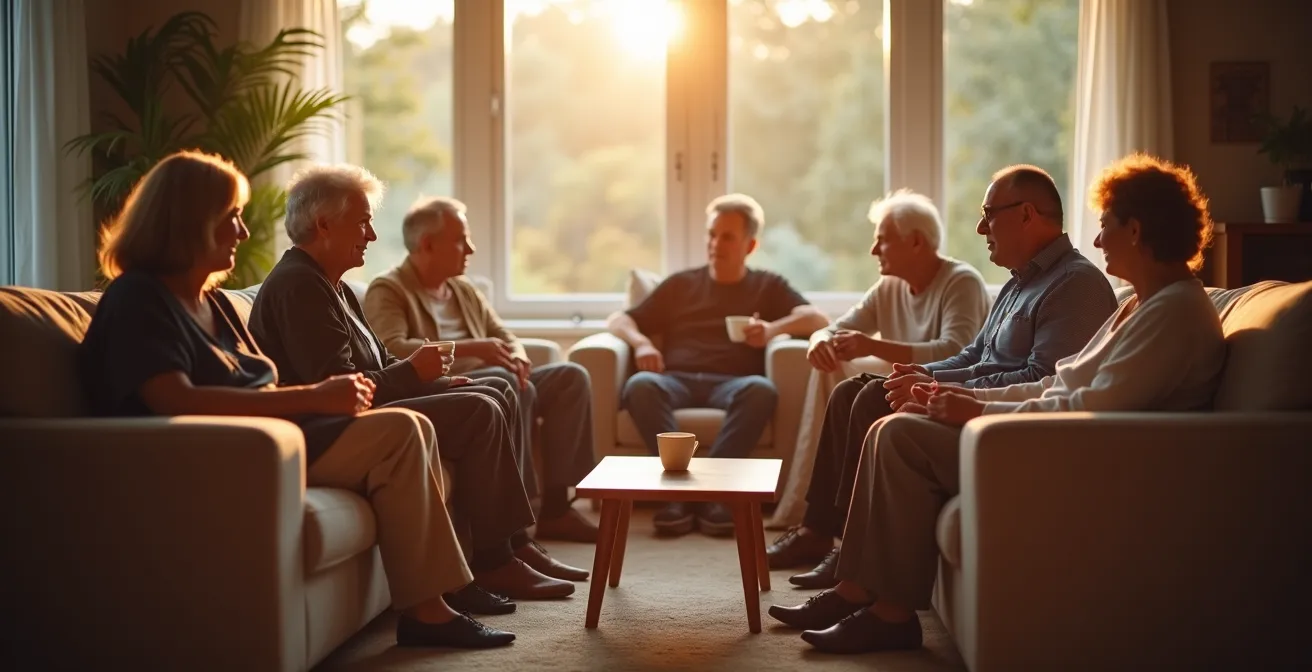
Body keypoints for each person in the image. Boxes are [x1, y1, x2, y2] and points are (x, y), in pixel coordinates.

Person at [769, 153, 1227, 654]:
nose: (1096, 241)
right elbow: (1057, 386)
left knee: (895, 430)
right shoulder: (1141, 304)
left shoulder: (1173, 311)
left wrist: (977, 408)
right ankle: (861, 591)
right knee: (886, 421)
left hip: (1075, 456)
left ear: (1135, 231)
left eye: (1104, 227)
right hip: (1052, 438)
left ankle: (890, 612)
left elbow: (1085, 405)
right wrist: (961, 396)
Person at [78, 150, 513, 648]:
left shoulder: (211, 300)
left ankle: (437, 599)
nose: (243, 232)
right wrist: (315, 396)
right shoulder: (139, 298)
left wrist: (319, 397)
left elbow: (260, 384)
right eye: (232, 218)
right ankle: (432, 608)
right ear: (189, 222)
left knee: (409, 428)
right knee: (402, 428)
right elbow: (172, 398)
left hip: (272, 441)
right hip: (227, 453)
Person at [766, 165, 1118, 588]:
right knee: (852, 391)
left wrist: (937, 387)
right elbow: (974, 355)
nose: (980, 226)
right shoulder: (1016, 284)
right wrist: (923, 374)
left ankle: (848, 556)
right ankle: (820, 534)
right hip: (973, 401)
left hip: (1003, 425)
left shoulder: (1074, 284)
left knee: (872, 399)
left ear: (1027, 214)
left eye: (990, 213)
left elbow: (1041, 378)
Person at [249, 164, 586, 603]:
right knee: (479, 408)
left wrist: (436, 382)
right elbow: (342, 389)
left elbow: (381, 362)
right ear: (324, 224)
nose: (371, 235)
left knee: (492, 390)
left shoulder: (335, 286)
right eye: (363, 221)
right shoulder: (299, 286)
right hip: (332, 427)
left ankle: (515, 545)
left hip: (358, 411)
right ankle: (495, 561)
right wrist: (415, 374)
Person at [364, 196, 598, 543]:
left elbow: (501, 333)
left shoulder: (462, 288)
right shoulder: (389, 289)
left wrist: (516, 353)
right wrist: (475, 349)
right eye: (461, 239)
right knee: (510, 383)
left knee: (570, 377)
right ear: (427, 244)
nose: (470, 248)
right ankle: (520, 518)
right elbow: (392, 348)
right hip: (450, 384)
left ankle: (557, 508)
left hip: (495, 373)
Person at [606, 193, 830, 536]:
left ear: (749, 245)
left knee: (761, 390)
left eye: (727, 237)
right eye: (712, 234)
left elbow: (816, 318)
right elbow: (619, 319)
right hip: (675, 378)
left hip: (734, 383)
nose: (715, 244)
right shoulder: (681, 284)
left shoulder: (766, 286)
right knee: (640, 386)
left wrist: (772, 329)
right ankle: (679, 494)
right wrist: (642, 343)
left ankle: (714, 494)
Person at [769, 189, 989, 535]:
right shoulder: (889, 287)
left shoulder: (961, 282)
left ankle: (834, 532)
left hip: (942, 395)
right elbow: (834, 328)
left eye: (882, 241)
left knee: (860, 394)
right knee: (839, 381)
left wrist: (872, 345)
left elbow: (954, 349)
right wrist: (820, 341)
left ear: (916, 242)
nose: (873, 250)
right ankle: (817, 529)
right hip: (898, 389)